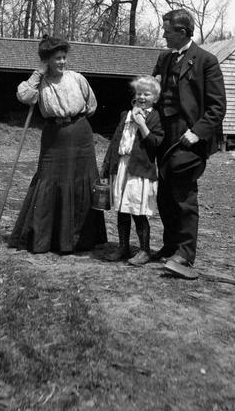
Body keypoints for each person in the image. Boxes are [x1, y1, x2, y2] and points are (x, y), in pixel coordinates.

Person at [9, 34, 107, 254]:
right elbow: (23, 95)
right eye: (57, 59)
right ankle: (47, 239)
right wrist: (38, 73)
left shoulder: (77, 78)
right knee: (48, 178)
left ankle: (82, 239)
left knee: (81, 181)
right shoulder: (40, 83)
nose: (62, 62)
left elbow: (91, 105)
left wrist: (74, 121)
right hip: (54, 135)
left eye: (64, 57)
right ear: (47, 61)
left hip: (80, 134)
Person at [152, 8, 226, 279]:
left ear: (182, 32)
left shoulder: (206, 60)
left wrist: (197, 132)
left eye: (167, 30)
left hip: (189, 137)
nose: (163, 34)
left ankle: (185, 254)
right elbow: (154, 93)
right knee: (165, 195)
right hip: (165, 135)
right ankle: (171, 245)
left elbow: (217, 107)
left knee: (183, 196)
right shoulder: (164, 59)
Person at [100, 75, 164, 266]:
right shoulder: (125, 115)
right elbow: (115, 143)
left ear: (155, 98)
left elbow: (154, 144)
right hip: (122, 166)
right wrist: (107, 166)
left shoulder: (154, 117)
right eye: (139, 94)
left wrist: (142, 123)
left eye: (147, 94)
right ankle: (123, 247)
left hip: (140, 169)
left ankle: (144, 250)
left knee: (137, 210)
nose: (142, 97)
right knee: (122, 208)